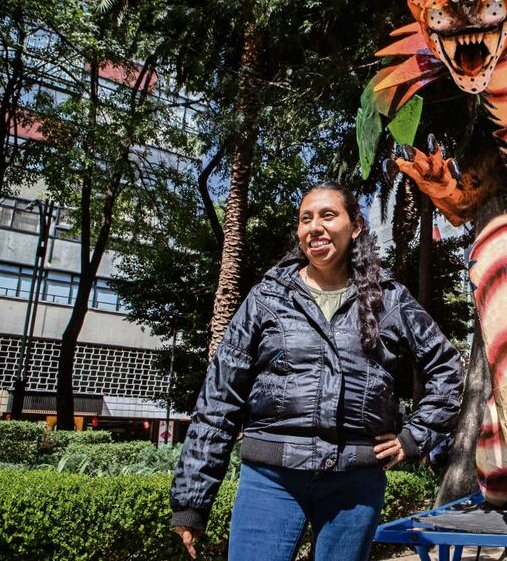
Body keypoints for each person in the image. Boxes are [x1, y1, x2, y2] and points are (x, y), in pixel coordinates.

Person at [169, 182, 464, 561]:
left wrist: (414, 437)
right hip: (270, 479)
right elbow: (220, 395)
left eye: (328, 215)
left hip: (355, 482)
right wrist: (192, 499)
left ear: (355, 226)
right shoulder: (267, 297)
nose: (314, 227)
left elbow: (447, 367)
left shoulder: (388, 298)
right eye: (305, 218)